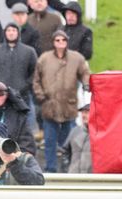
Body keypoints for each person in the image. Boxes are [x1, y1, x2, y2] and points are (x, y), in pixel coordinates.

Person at [32, 29, 89, 173]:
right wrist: (41, 96)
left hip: (68, 106)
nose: (60, 43)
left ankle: (68, 167)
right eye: (57, 40)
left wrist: (87, 85)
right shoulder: (44, 59)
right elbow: (36, 80)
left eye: (63, 40)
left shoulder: (76, 58)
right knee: (50, 140)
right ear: (53, 42)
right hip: (49, 105)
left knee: (69, 141)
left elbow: (85, 73)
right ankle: (50, 168)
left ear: (67, 42)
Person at [0, 23, 37, 109]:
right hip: (0, 96)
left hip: (22, 95)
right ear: (5, 33)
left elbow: (35, 71)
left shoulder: (29, 51)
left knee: (23, 119)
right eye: (9, 30)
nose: (11, 33)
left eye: (14, 30)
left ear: (18, 33)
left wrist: (26, 85)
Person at [0, 79, 37, 156]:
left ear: (6, 96)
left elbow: (28, 147)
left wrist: (13, 158)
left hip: (12, 162)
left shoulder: (18, 117)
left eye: (0, 94)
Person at [66, 102, 98, 199]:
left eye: (87, 111)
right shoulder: (75, 131)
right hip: (76, 183)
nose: (84, 115)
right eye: (83, 112)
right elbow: (66, 151)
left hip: (96, 185)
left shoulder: (102, 132)